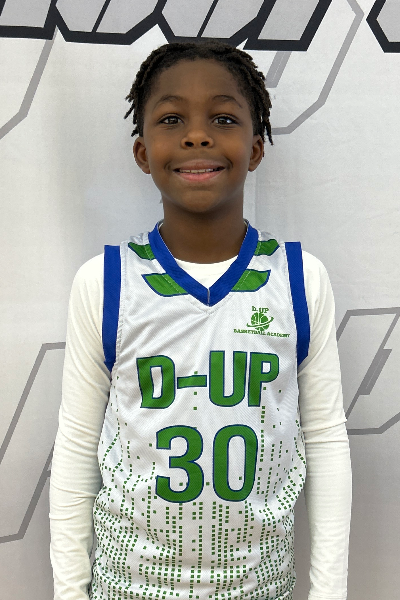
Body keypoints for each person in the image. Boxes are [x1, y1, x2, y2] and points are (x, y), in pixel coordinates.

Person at [49, 40, 352, 600]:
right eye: (171, 119)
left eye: (223, 118)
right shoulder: (106, 281)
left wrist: (329, 591)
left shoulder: (299, 278)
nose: (197, 136)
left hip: (259, 587)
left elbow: (327, 440)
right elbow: (77, 445)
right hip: (129, 587)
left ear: (255, 148)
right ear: (143, 152)